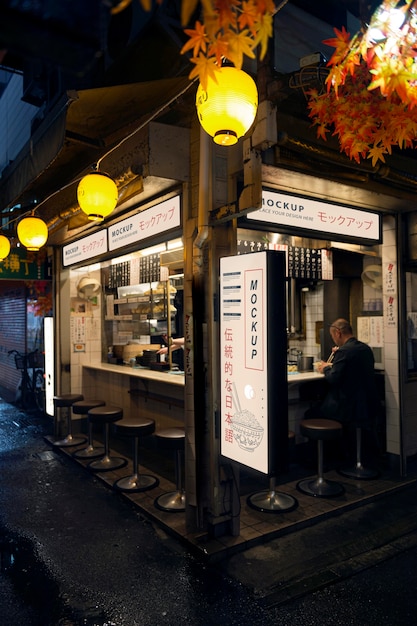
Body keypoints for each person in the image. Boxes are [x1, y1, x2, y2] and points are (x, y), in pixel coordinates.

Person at [313, 318, 382, 461]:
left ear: (338, 333)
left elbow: (333, 379)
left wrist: (325, 368)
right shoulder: (365, 348)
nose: (334, 340)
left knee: (313, 413)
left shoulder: (344, 351)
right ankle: (353, 457)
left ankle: (326, 460)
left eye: (333, 336)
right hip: (369, 404)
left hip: (348, 407)